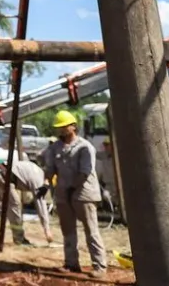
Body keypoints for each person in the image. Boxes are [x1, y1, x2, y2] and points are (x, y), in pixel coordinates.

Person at [42, 110, 107, 277]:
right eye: (59, 128)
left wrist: (72, 188)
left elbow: (85, 172)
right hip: (64, 194)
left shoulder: (85, 147)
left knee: (91, 230)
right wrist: (45, 184)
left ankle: (99, 266)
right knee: (68, 231)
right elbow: (50, 169)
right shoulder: (54, 148)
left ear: (73, 127)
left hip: (83, 194)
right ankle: (71, 264)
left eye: (64, 127)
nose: (61, 131)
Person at [0, 153, 53, 245]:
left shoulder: (34, 168)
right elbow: (40, 204)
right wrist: (47, 229)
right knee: (15, 205)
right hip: (4, 177)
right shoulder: (39, 178)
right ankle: (19, 238)